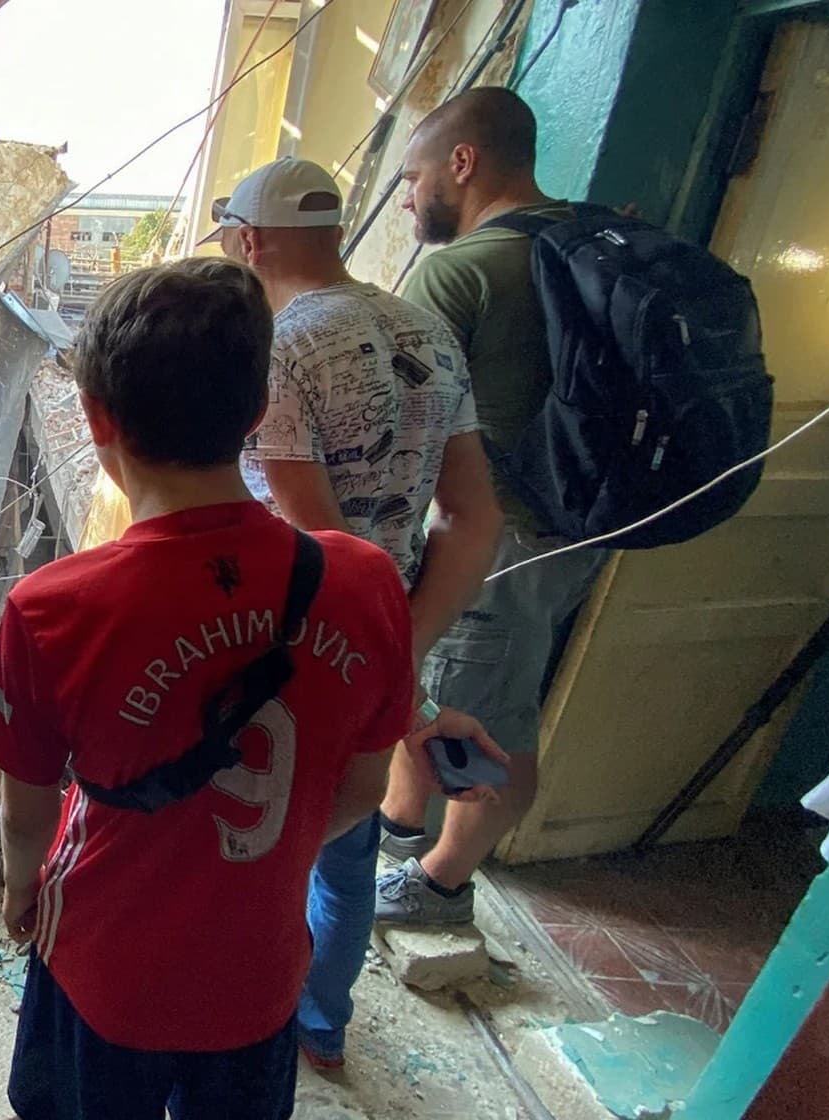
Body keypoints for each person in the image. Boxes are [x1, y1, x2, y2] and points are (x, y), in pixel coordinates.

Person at [0, 256, 484, 1120]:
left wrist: (23, 886)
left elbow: (24, 810)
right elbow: (362, 788)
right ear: (255, 415)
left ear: (97, 417)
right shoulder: (362, 583)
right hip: (258, 979)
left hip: (103, 971)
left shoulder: (52, 608)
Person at [205, 157, 507, 1069]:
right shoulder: (430, 332)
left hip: (278, 642)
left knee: (248, 837)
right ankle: (321, 1024)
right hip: (379, 636)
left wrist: (373, 659)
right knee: (349, 843)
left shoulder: (279, 346)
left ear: (250, 241)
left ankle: (229, 1015)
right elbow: (473, 516)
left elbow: (317, 544)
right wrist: (400, 651)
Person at [378, 87, 613, 924]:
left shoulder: (461, 269)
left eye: (413, 176)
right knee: (457, 689)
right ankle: (402, 838)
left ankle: (439, 885)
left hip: (496, 534)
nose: (407, 196)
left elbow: (405, 424)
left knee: (479, 717)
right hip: (572, 527)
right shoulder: (587, 239)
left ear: (464, 164)